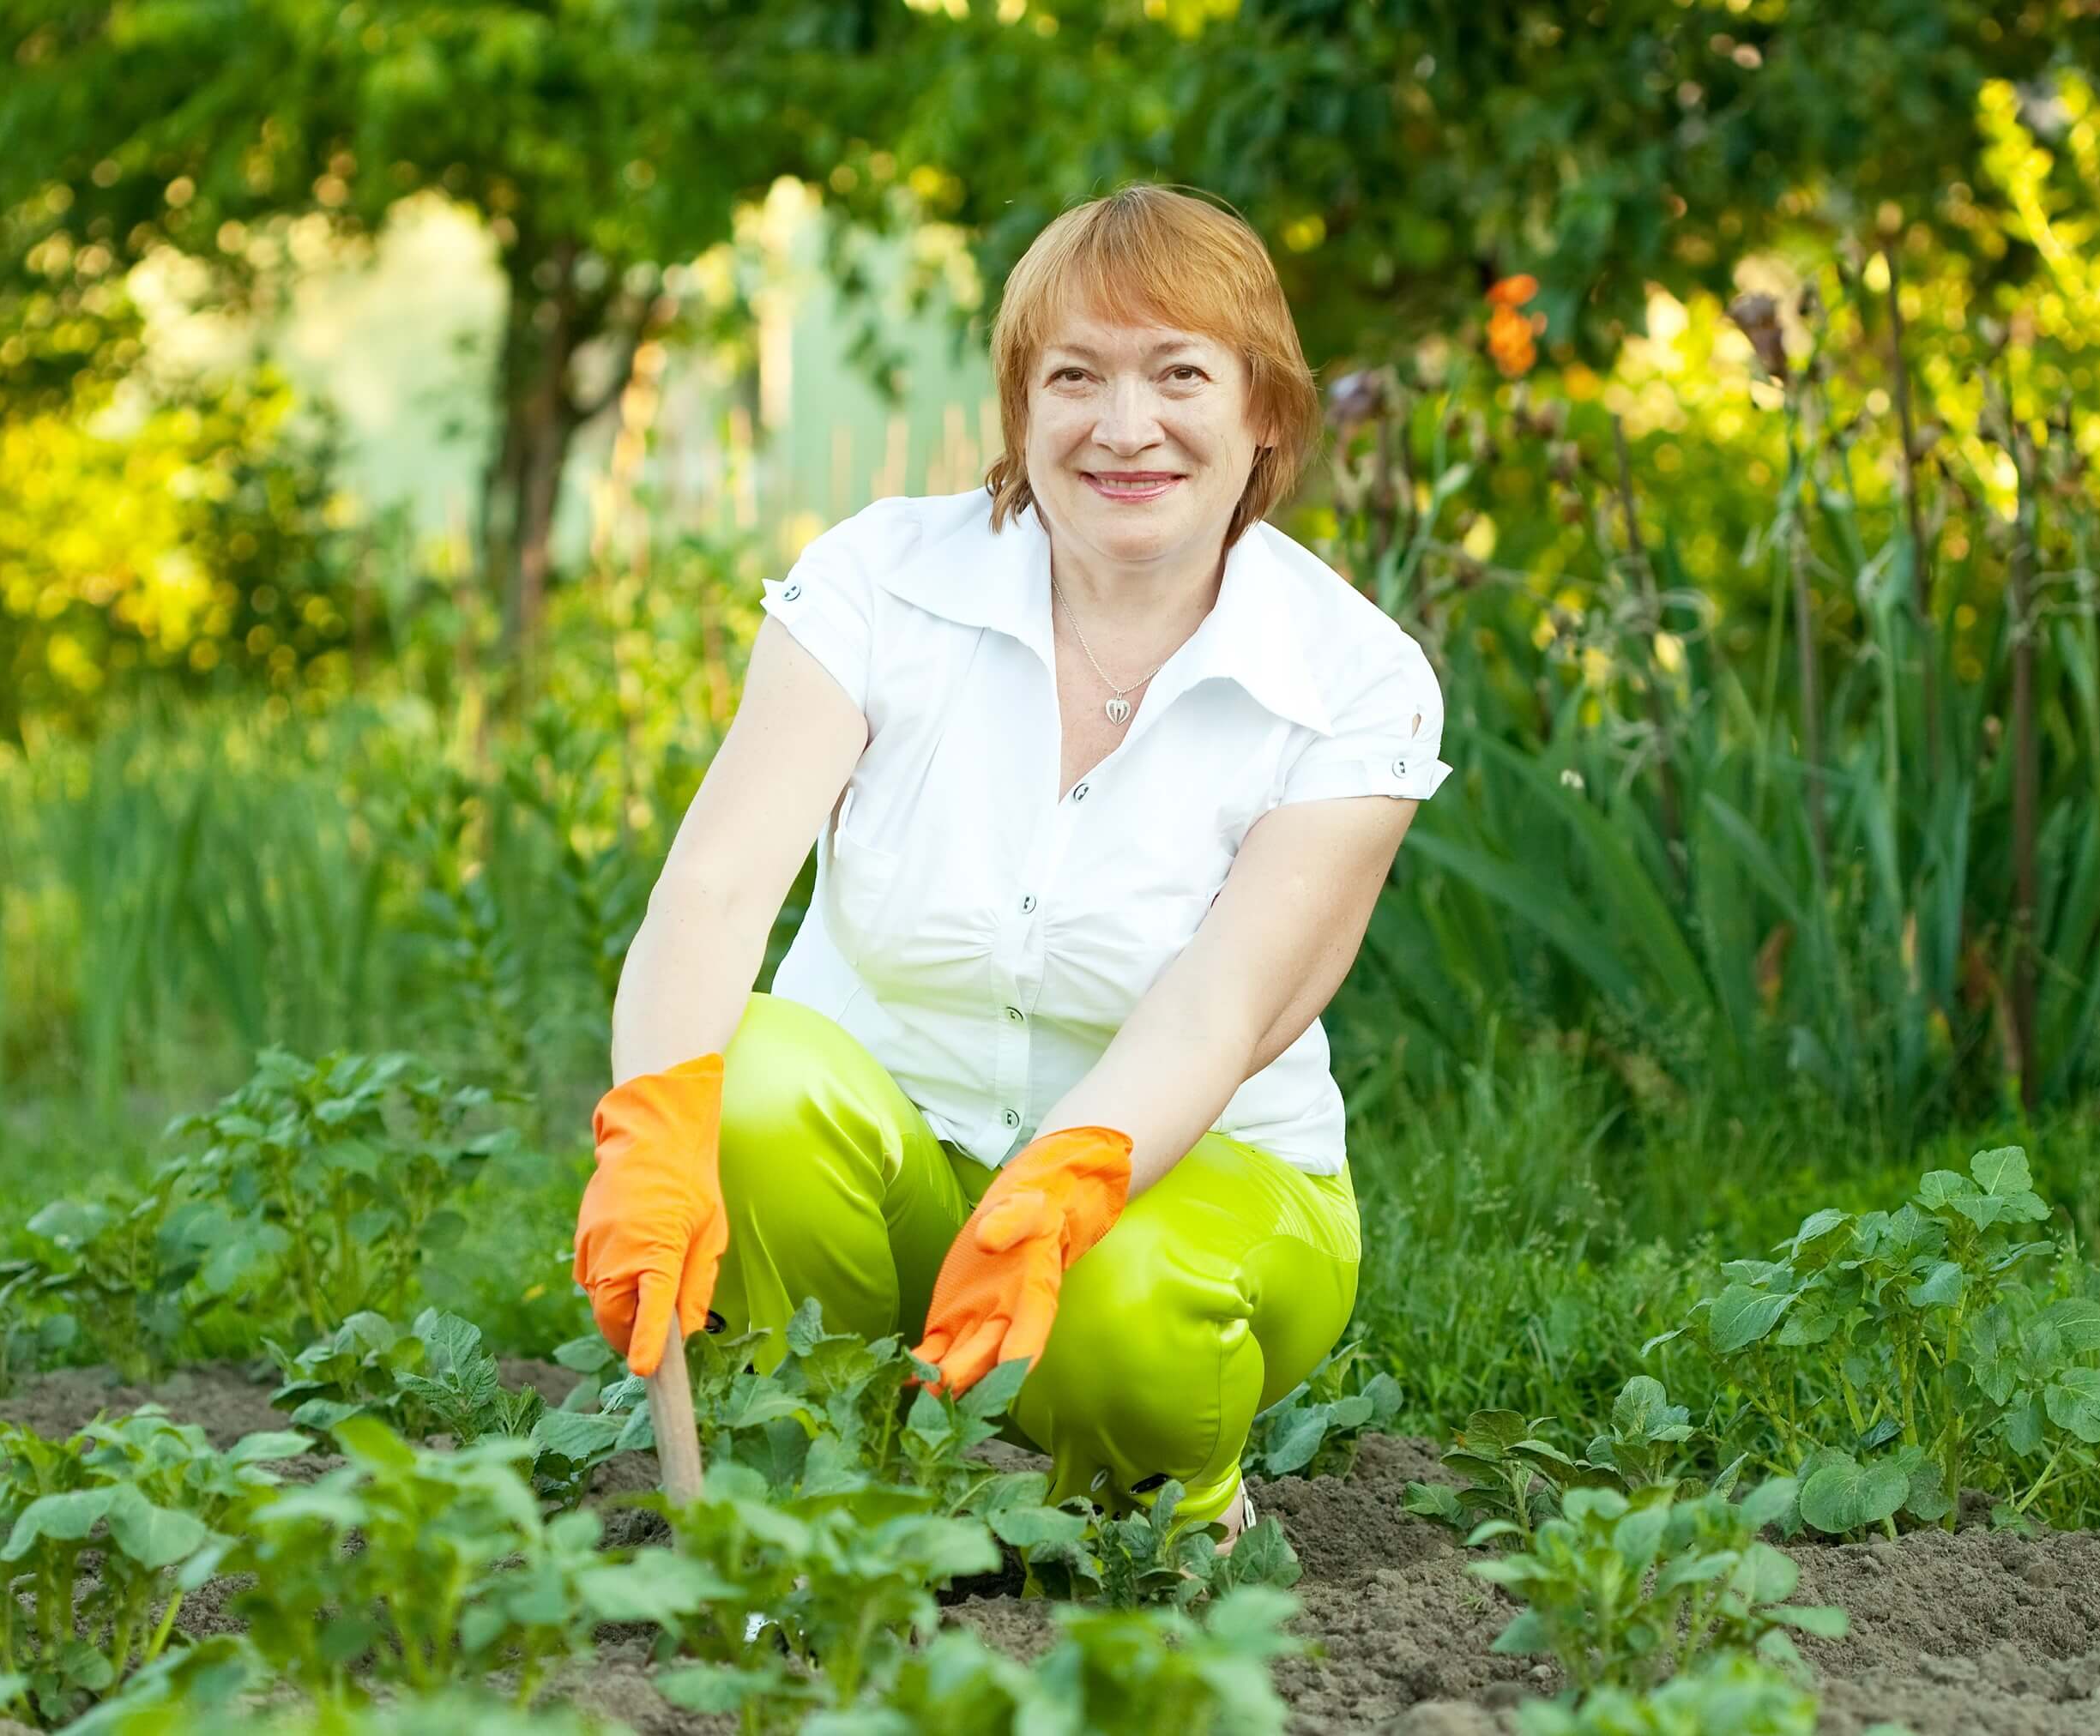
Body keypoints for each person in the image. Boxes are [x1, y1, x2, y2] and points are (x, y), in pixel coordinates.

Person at [575, 183, 1450, 1546]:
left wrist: (1064, 1178)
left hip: (1179, 1185)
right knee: (739, 1083)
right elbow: (717, 885)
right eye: (1074, 376)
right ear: (1018, 407)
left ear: (1265, 410)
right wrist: (654, 1122)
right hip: (889, 1172)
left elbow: (1222, 1005)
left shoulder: (1350, 678)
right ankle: (820, 1491)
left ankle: (1156, 1510)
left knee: (1128, 1311)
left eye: (1178, 375)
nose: (1123, 425)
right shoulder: (879, 582)